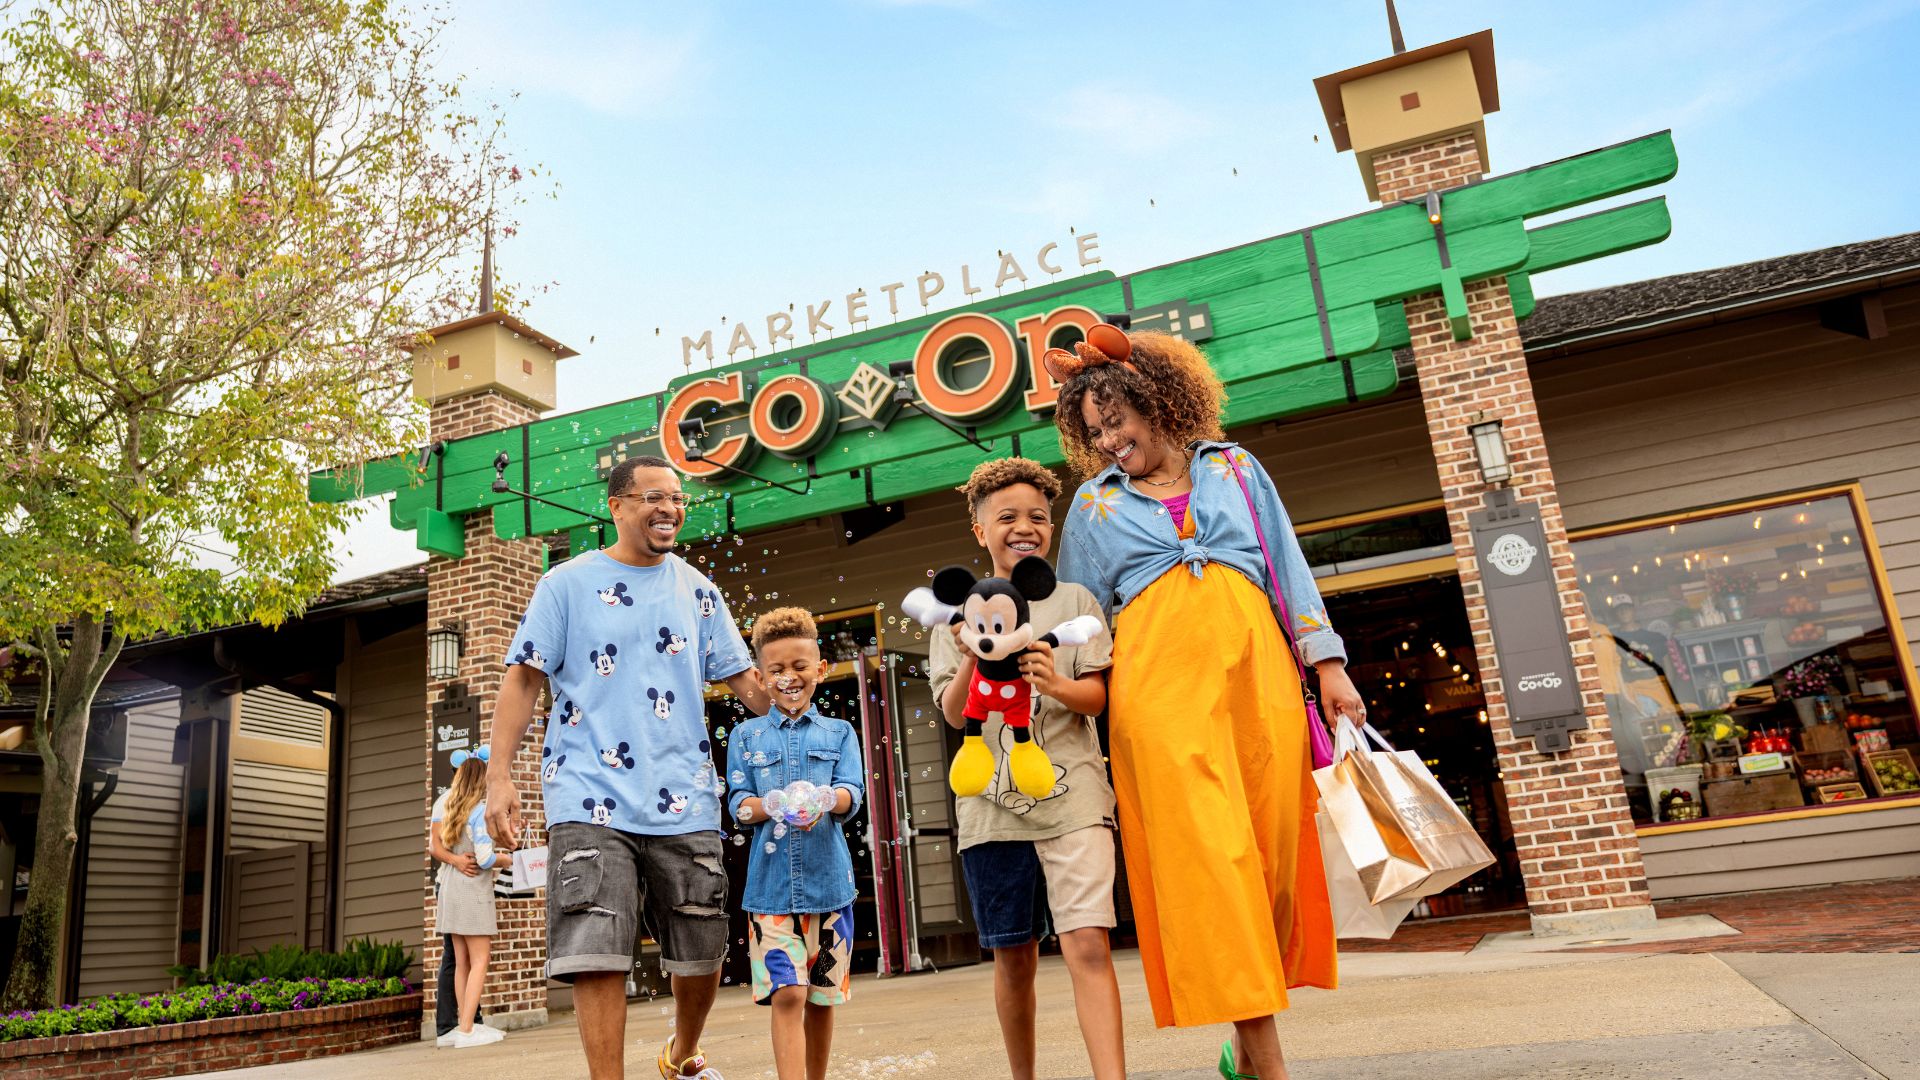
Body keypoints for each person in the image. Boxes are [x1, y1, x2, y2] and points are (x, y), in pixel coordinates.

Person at [1048, 328, 1363, 1080]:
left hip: (1258, 685)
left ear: (1159, 401)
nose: (1110, 440)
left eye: (1118, 421)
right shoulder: (1092, 507)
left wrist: (1328, 665)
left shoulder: (1237, 468)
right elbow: (1076, 614)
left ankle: (1246, 1052)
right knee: (1210, 869)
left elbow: (1289, 566)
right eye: (1095, 433)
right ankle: (1272, 1065)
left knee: (1271, 866)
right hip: (1158, 700)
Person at [487, 454, 770, 1080]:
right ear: (616, 506)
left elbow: (745, 683)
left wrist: (791, 684)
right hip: (587, 793)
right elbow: (524, 675)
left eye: (677, 498)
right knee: (596, 951)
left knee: (701, 951)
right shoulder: (564, 584)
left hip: (685, 793)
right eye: (652, 497)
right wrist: (498, 776)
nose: (669, 508)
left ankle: (681, 1052)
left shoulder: (698, 589)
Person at [926, 457, 1126, 1080]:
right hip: (990, 810)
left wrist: (1056, 685)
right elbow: (955, 715)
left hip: (1074, 801)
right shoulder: (953, 613)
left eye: (1038, 516)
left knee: (1087, 943)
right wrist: (967, 657)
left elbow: (1099, 698)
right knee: (1012, 956)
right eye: (1006, 516)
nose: (1024, 527)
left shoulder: (1074, 600)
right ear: (979, 530)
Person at [725, 607, 866, 1080]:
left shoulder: (840, 732)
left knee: (821, 998)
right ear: (761, 679)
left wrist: (826, 798)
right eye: (777, 670)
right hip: (770, 894)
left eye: (800, 666)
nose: (789, 677)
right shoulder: (745, 737)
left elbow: (854, 795)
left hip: (830, 888)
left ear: (820, 670)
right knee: (789, 993)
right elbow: (740, 807)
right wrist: (776, 804)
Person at [434, 755, 503, 1048]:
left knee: (460, 961)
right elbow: (485, 858)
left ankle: (465, 1025)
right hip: (472, 891)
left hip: (450, 888)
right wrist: (509, 859)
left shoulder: (448, 808)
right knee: (479, 960)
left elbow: (437, 845)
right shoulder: (479, 812)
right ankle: (467, 1030)